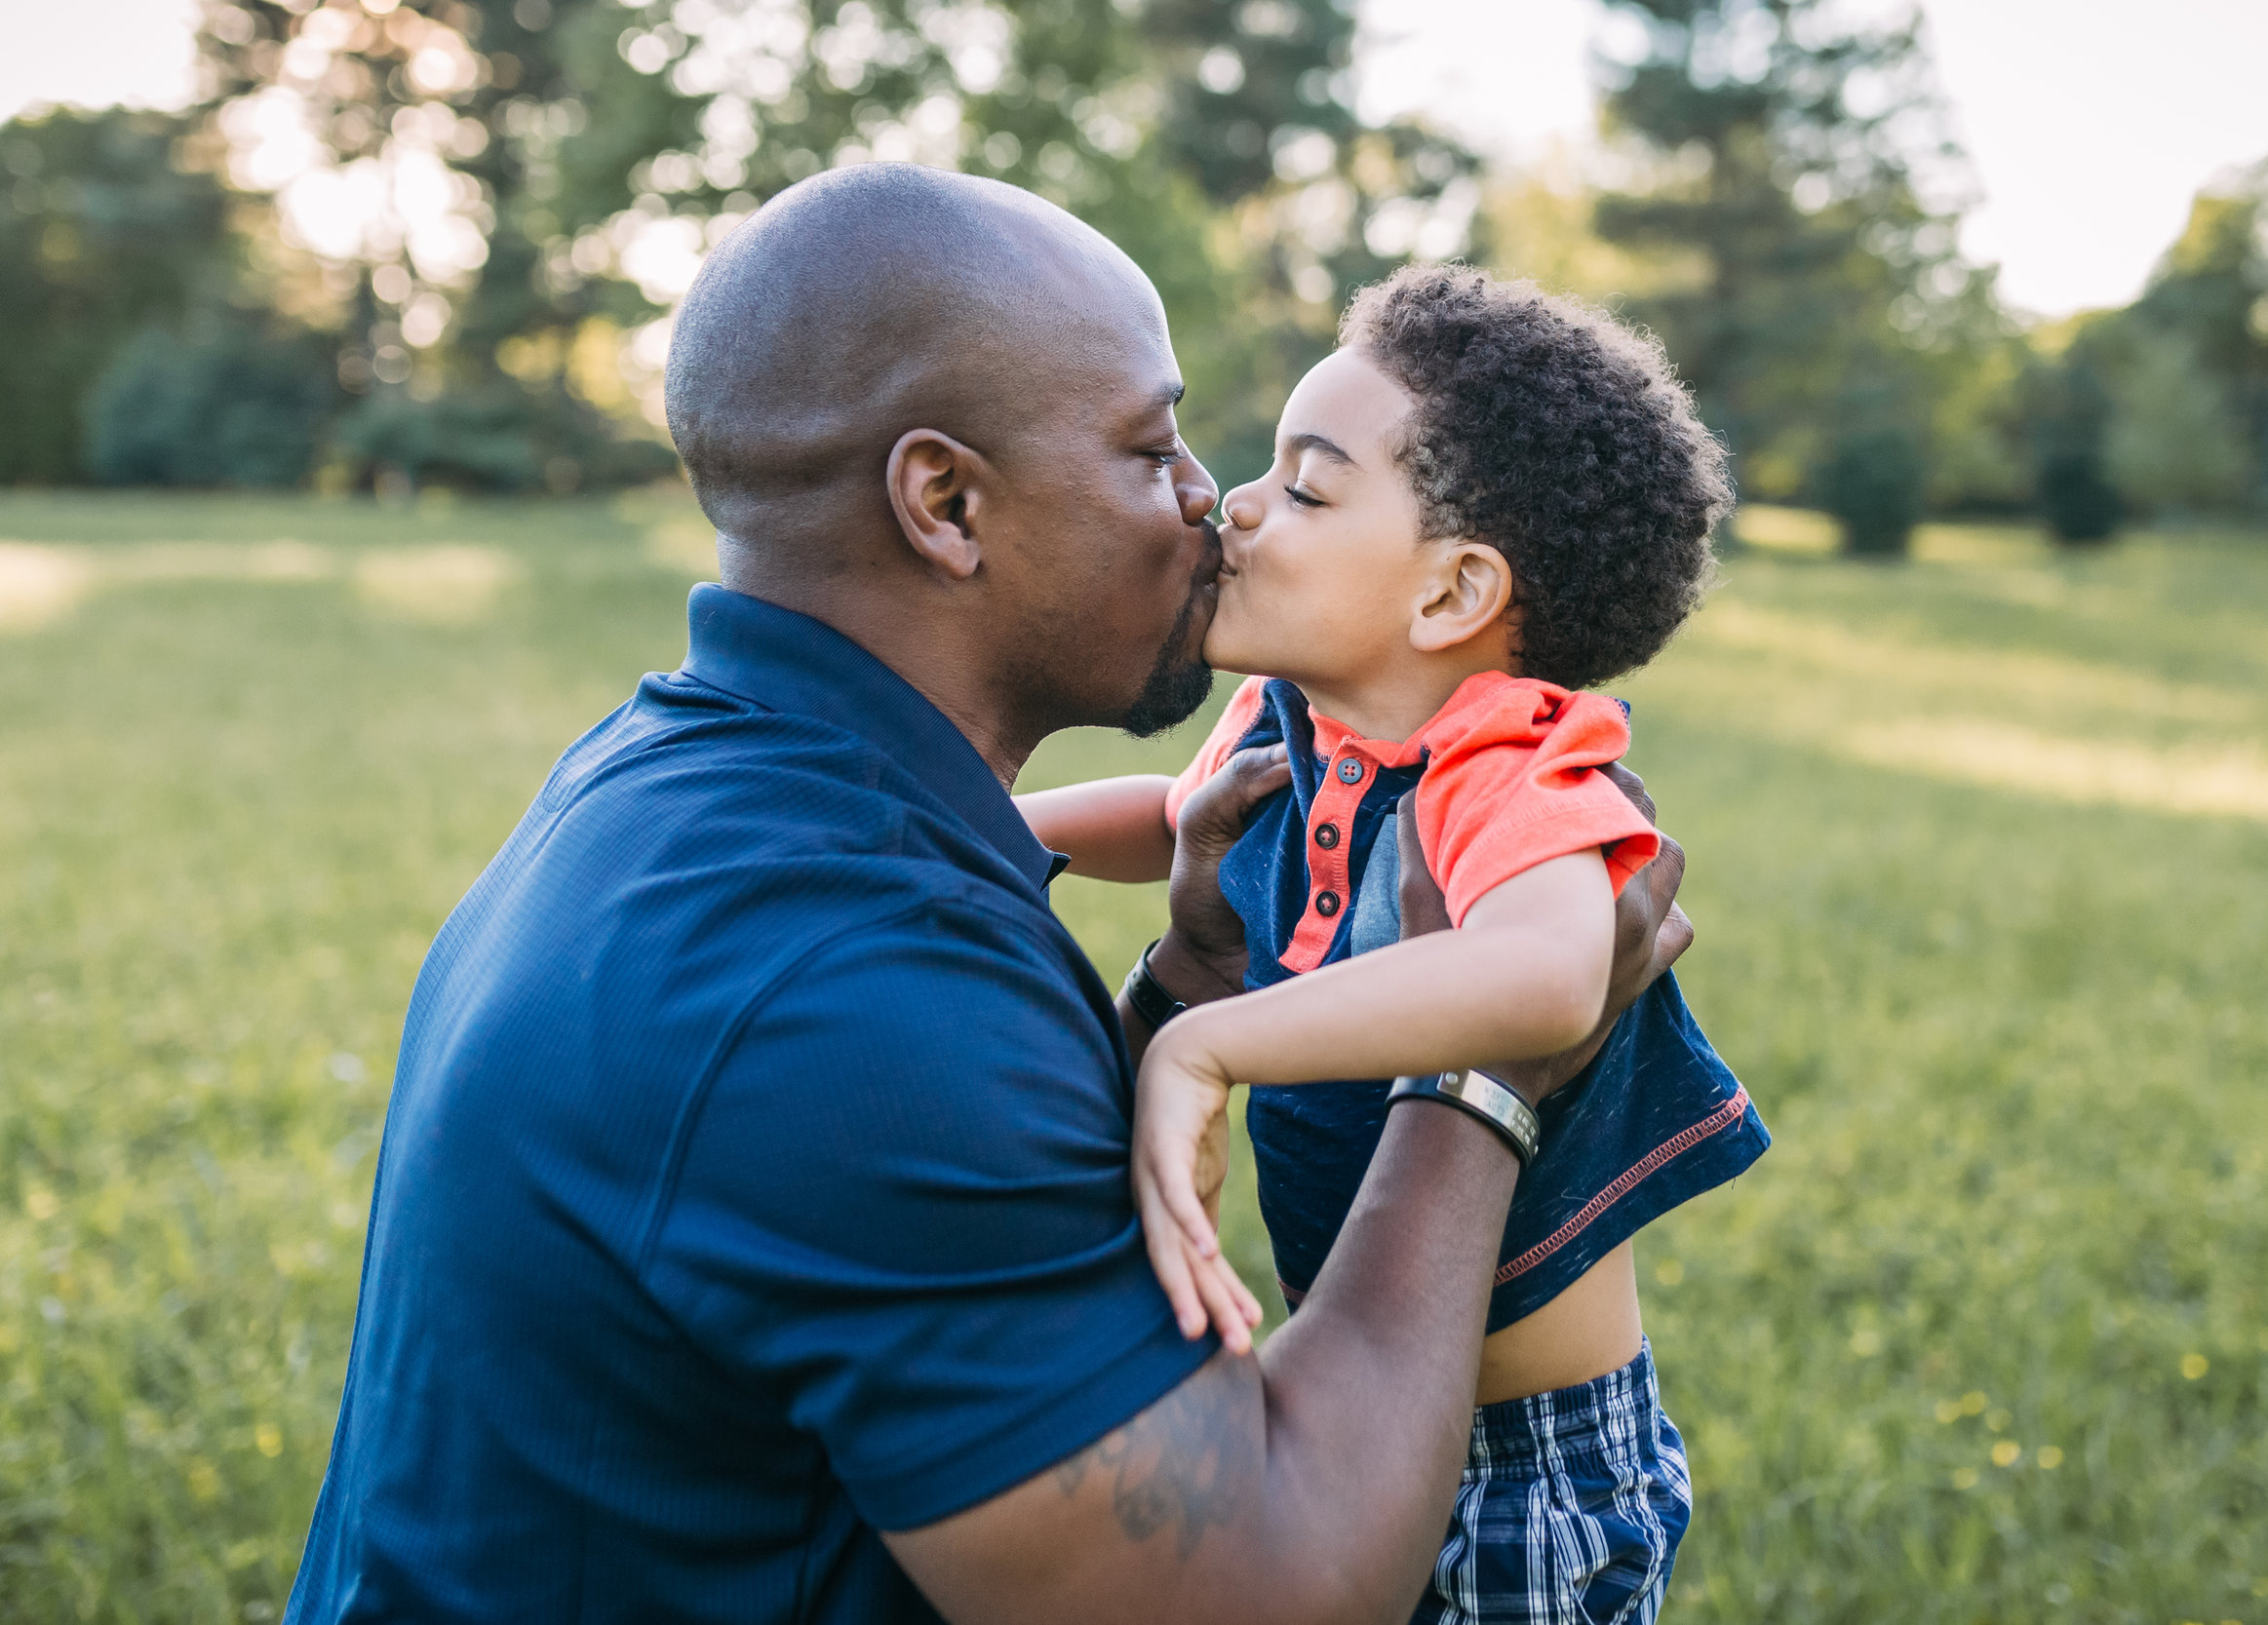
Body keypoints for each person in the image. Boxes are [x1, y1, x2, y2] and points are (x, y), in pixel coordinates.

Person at [282, 165, 1696, 1625]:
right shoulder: (845, 994)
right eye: (1153, 450)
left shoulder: (682, 786)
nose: (1211, 504)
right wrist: (1486, 1087)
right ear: (948, 502)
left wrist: (1193, 972)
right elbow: (1271, 1595)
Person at [1017, 265, 1769, 1623]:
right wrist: (950, 831)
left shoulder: (1510, 764)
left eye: (1306, 489)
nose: (1236, 503)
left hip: (1522, 1465)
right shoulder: (1289, 717)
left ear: (1451, 595)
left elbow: (1552, 974)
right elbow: (1167, 816)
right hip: (1354, 1388)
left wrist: (1205, 1045)